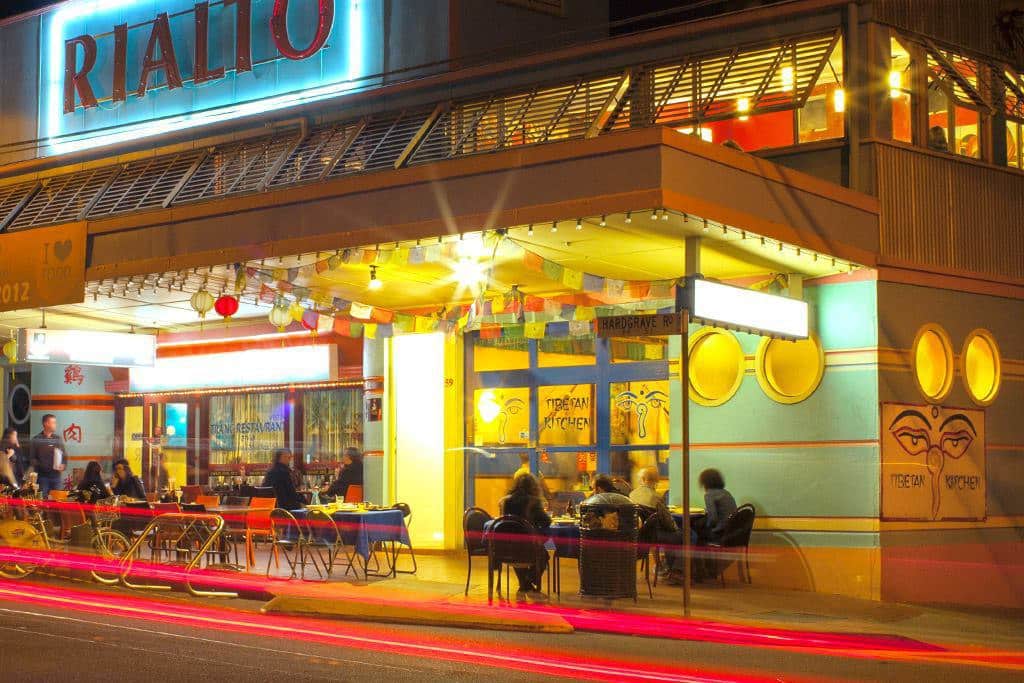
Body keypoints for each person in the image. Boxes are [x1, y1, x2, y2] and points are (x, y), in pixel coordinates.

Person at [630, 466, 687, 581]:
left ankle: (664, 567)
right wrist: (675, 528)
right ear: (655, 480)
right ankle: (675, 570)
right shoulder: (656, 497)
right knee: (683, 535)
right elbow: (667, 522)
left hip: (640, 535)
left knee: (671, 535)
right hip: (655, 535)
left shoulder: (632, 494)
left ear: (642, 479)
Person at [497, 473, 550, 597]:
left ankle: (524, 585)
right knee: (544, 555)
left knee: (516, 550)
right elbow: (546, 522)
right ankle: (527, 581)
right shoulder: (534, 501)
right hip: (528, 548)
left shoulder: (505, 501)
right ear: (533, 487)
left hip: (506, 549)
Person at [29, 414, 68, 499]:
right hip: (43, 477)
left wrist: (63, 464)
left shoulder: (57, 439)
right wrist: (43, 465)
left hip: (56, 476)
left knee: (58, 500)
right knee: (43, 500)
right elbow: (32, 459)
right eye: (53, 422)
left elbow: (64, 456)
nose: (55, 425)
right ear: (46, 423)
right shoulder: (36, 439)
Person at [699, 468, 737, 544]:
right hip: (732, 532)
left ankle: (696, 554)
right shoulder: (726, 492)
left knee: (695, 529)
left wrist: (706, 525)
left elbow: (713, 519)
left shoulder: (709, 494)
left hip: (719, 533)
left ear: (705, 482)